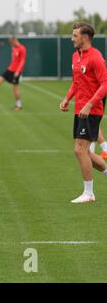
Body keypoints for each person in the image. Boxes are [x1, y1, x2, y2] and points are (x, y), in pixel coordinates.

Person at [59, 22, 107, 204]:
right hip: (79, 110)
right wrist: (67, 98)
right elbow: (76, 82)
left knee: (79, 150)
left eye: (75, 36)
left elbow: (105, 84)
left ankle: (89, 194)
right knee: (84, 152)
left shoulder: (96, 58)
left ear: (85, 37)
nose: (72, 39)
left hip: (92, 111)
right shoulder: (75, 56)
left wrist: (89, 104)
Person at [0, 36, 26, 111]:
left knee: (15, 89)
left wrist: (18, 71)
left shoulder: (22, 48)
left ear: (15, 40)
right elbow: (13, 60)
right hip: (9, 70)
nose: (11, 44)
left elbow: (22, 61)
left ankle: (19, 106)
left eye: (11, 43)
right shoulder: (13, 49)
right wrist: (9, 68)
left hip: (16, 72)